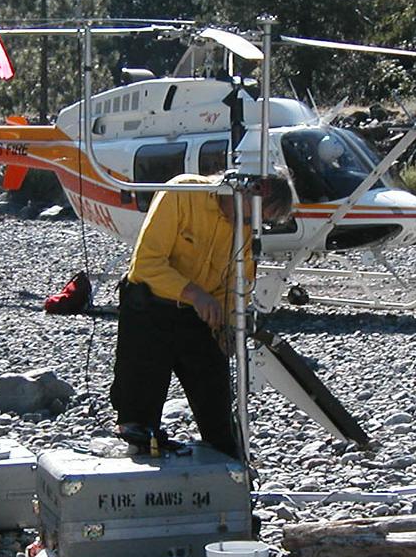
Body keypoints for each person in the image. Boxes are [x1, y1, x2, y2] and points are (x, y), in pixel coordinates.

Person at [108, 173, 294, 460]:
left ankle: (228, 475)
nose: (252, 226)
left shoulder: (245, 228)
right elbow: (145, 265)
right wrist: (194, 293)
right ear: (246, 194)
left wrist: (230, 329)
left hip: (202, 315)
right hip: (149, 308)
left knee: (219, 418)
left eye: (261, 221)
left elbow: (236, 285)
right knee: (138, 418)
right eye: (254, 216)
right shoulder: (182, 193)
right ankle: (140, 469)